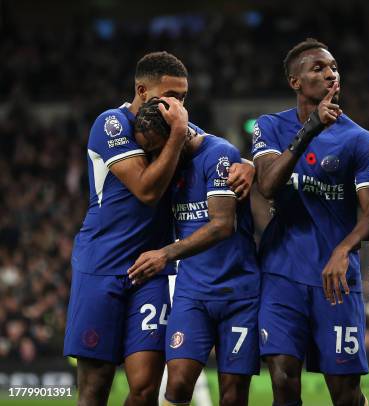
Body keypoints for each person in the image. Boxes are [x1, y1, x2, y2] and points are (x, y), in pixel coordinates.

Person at [63, 51, 253, 406]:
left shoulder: (174, 128)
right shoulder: (112, 124)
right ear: (142, 90)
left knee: (147, 387)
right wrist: (179, 133)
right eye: (172, 96)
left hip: (150, 272)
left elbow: (216, 150)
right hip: (100, 266)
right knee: (96, 383)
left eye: (184, 96)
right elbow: (147, 190)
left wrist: (250, 166)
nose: (180, 105)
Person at [252, 38, 369, 406]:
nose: (330, 74)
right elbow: (267, 185)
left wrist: (343, 251)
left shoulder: (358, 139)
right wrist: (309, 129)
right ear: (295, 81)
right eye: (318, 68)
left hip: (335, 278)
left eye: (334, 68)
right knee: (283, 378)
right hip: (281, 274)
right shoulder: (270, 126)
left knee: (345, 393)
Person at [126, 98, 261, 406]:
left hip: (238, 293)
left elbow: (222, 225)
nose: (154, 158)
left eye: (157, 149)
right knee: (177, 384)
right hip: (192, 293)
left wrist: (165, 254)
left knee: (233, 394)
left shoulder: (219, 153)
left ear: (179, 135)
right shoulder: (168, 168)